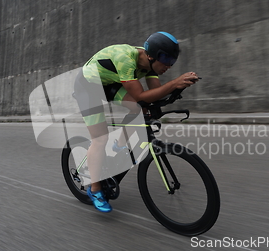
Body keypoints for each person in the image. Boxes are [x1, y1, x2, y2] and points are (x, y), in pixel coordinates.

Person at [73, 32, 199, 212]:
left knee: (140, 109)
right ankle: (95, 190)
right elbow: (141, 95)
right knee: (100, 139)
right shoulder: (126, 59)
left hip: (109, 83)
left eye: (172, 61)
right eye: (165, 59)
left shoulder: (152, 65)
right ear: (152, 55)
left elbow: (155, 94)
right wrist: (173, 83)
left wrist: (178, 87)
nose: (168, 65)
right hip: (88, 86)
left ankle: (118, 146)